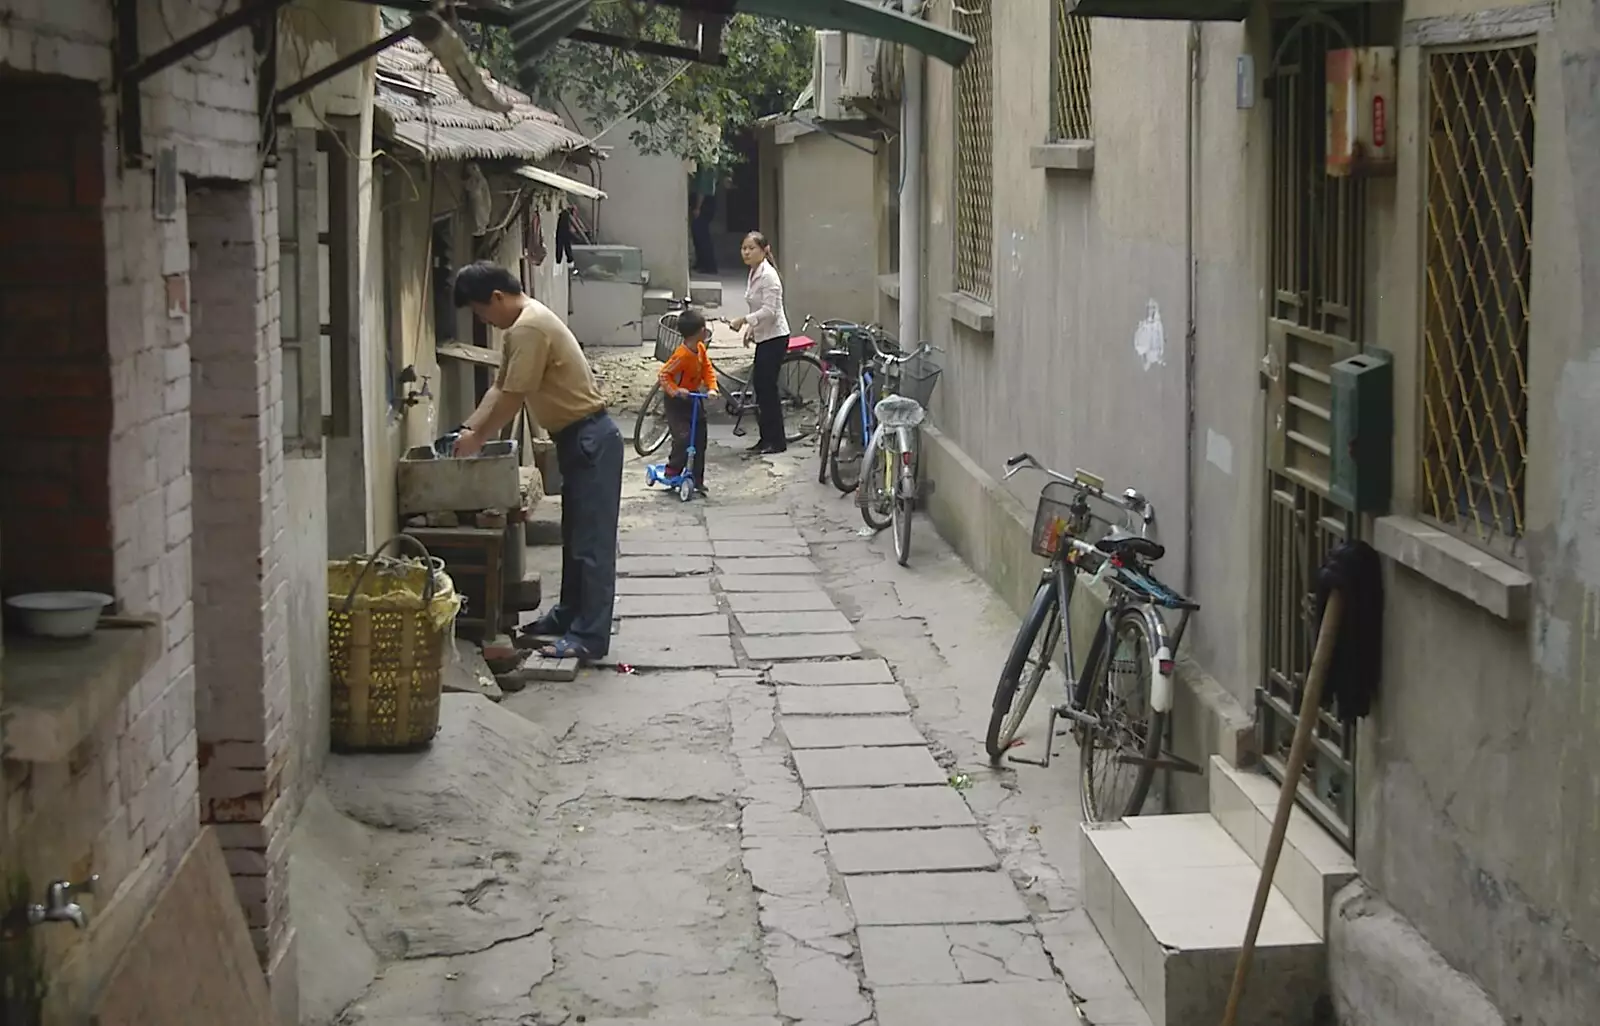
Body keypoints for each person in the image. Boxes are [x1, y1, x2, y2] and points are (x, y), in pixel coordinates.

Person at [451, 261, 621, 664]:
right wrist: (468, 429)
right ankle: (568, 616)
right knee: (576, 539)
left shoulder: (529, 326)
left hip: (591, 437)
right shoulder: (521, 325)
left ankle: (589, 635)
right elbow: (500, 387)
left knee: (592, 545)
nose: (484, 321)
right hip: (576, 439)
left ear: (497, 297)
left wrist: (479, 439)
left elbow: (513, 396)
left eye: (482, 312)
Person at [728, 231, 791, 455]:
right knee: (761, 389)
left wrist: (744, 321)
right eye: (744, 248)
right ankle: (766, 439)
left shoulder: (768, 276)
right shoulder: (754, 272)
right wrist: (752, 329)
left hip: (775, 338)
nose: (746, 252)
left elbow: (770, 311)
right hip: (764, 336)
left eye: (751, 248)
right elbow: (757, 307)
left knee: (767, 390)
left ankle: (776, 441)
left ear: (764, 250)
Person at [658, 308, 717, 494]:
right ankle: (673, 469)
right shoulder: (681, 355)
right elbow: (664, 375)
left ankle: (697, 478)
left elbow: (707, 369)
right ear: (697, 332)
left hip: (694, 398)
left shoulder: (700, 349)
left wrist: (712, 387)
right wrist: (675, 391)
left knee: (700, 438)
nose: (706, 331)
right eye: (704, 328)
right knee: (683, 437)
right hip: (677, 402)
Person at [689, 161, 719, 274]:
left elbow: (702, 189)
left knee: (701, 234)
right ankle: (702, 263)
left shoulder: (706, 168)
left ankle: (708, 265)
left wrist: (698, 207)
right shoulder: (710, 167)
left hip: (704, 204)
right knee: (699, 233)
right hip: (707, 202)